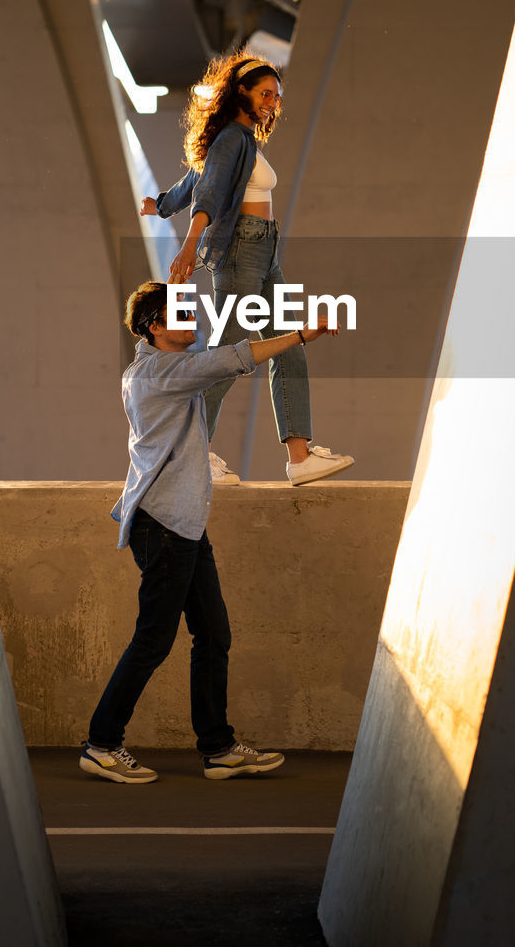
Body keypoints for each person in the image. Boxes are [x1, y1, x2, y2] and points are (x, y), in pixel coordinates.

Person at [80, 279, 339, 784]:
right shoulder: (158, 372)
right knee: (154, 640)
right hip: (164, 526)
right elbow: (232, 360)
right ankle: (102, 743)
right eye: (181, 315)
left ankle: (219, 748)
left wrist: (176, 282)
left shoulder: (157, 367)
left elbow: (213, 358)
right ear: (155, 327)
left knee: (213, 634)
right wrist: (300, 336)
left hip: (184, 525)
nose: (193, 321)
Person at [140, 51, 354, 486]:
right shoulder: (233, 139)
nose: (272, 103)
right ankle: (188, 453)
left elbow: (193, 182)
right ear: (241, 91)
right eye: (264, 94)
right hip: (241, 250)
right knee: (225, 356)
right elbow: (210, 194)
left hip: (265, 250)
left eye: (276, 97)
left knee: (289, 344)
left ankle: (300, 458)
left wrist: (159, 206)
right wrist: (187, 245)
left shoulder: (237, 140)